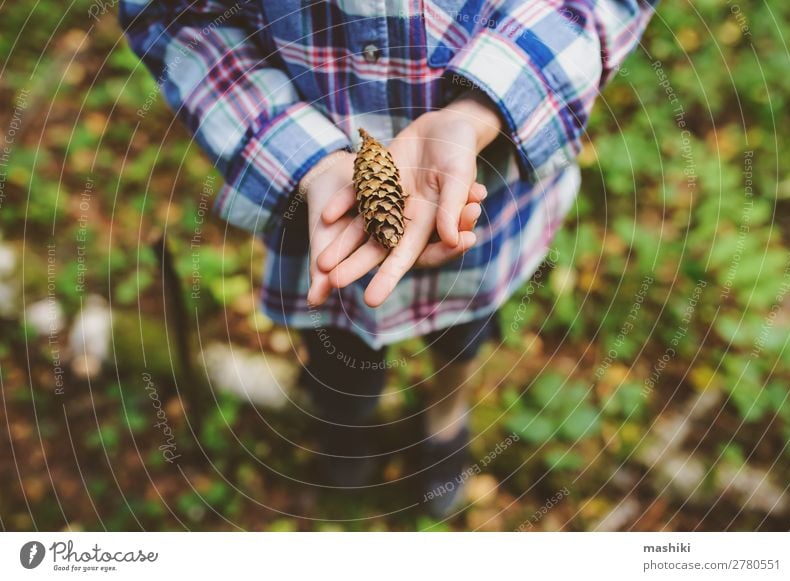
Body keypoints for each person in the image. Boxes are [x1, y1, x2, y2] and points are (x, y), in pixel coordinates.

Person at [120, 0, 656, 517]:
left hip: (483, 198)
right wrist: (303, 155)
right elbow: (175, 15)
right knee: (335, 342)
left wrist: (482, 108)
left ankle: (445, 419)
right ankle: (348, 423)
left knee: (462, 335)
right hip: (321, 214)